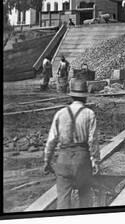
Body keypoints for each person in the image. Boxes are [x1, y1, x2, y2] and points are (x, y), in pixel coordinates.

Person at [43, 78, 99, 209]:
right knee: (85, 197)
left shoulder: (60, 114)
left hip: (63, 160)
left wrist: (47, 161)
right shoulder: (89, 114)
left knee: (63, 199)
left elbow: (51, 140)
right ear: (85, 96)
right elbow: (93, 141)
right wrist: (95, 161)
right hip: (82, 160)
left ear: (71, 95)